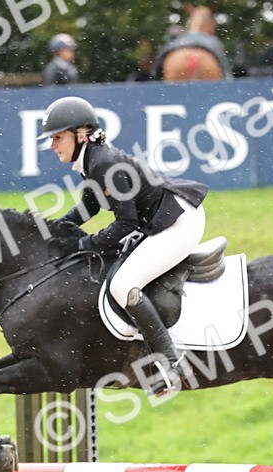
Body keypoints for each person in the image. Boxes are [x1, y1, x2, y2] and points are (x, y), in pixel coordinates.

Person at [39, 96, 209, 395]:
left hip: (178, 222)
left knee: (123, 286)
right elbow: (89, 206)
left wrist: (82, 244)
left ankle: (172, 364)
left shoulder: (104, 163)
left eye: (58, 138)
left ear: (81, 135)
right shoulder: (92, 160)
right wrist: (50, 231)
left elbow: (125, 224)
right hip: (162, 218)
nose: (52, 145)